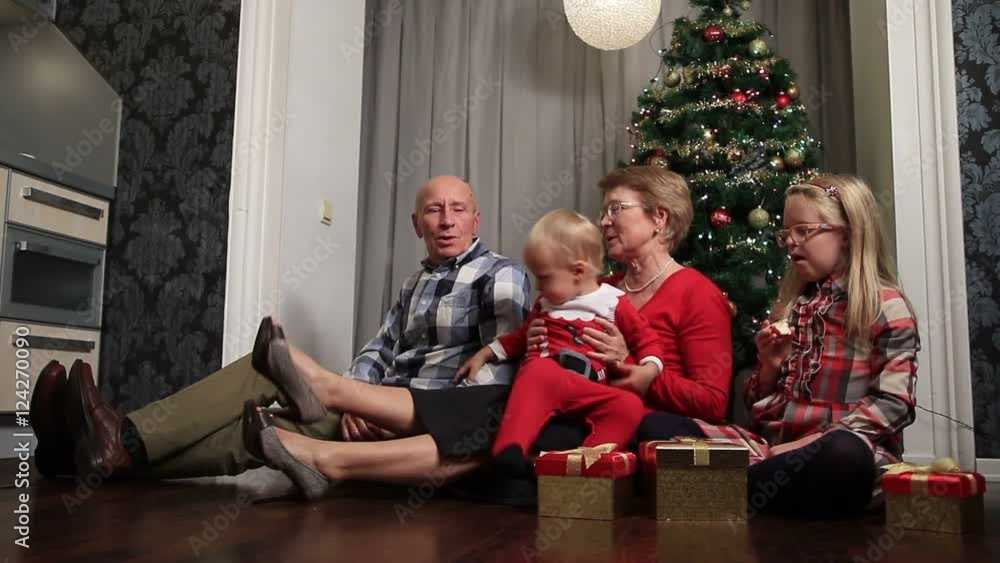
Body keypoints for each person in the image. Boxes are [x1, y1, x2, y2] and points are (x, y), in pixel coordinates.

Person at [32, 176, 550, 495]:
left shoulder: (499, 275)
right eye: (434, 209)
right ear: (417, 223)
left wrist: (392, 417)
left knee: (255, 433)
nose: (446, 219)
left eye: (458, 208)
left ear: (476, 218)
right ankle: (95, 451)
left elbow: (492, 381)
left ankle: (108, 445)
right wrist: (355, 401)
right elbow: (379, 350)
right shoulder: (414, 282)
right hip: (366, 412)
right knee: (265, 370)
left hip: (419, 426)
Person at [636, 175, 920, 520]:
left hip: (840, 448)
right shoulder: (792, 304)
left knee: (845, 456)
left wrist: (804, 446)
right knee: (656, 426)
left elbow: (894, 405)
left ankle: (723, 491)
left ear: (846, 234)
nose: (790, 243)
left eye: (803, 231)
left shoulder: (885, 305)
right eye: (786, 233)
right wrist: (769, 366)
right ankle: (755, 492)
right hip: (770, 448)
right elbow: (756, 408)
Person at [455, 209, 662, 474]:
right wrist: (485, 353)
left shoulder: (613, 303)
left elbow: (648, 341)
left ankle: (587, 462)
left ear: (577, 270)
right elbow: (519, 339)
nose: (538, 288)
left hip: (589, 388)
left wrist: (648, 370)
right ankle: (511, 449)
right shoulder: (546, 305)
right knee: (538, 372)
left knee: (629, 405)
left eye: (544, 278)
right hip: (548, 380)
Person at [526, 166, 735, 422]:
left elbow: (711, 404)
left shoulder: (698, 294)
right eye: (603, 212)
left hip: (650, 429)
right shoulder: (602, 290)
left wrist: (630, 363)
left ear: (659, 217)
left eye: (616, 208)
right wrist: (539, 337)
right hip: (581, 413)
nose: (604, 222)